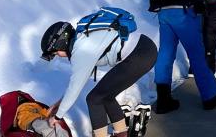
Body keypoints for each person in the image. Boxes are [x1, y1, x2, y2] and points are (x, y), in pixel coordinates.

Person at [41, 8, 157, 137]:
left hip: (140, 54)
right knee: (106, 96)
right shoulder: (82, 39)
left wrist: (57, 117)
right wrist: (60, 103)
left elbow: (75, 88)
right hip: (144, 48)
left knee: (94, 99)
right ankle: (121, 134)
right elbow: (77, 82)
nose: (59, 55)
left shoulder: (81, 51)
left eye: (56, 52)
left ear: (61, 44)